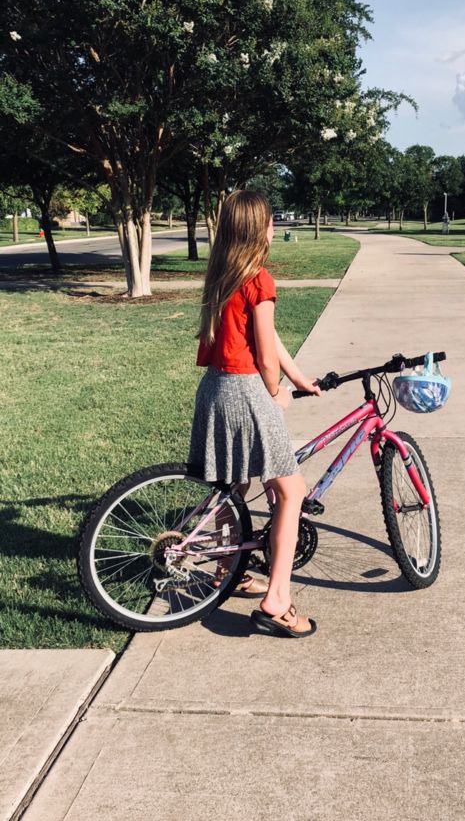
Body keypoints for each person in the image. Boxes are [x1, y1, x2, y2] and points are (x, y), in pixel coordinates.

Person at [189, 190, 320, 638]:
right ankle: (278, 600)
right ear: (259, 229)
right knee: (291, 491)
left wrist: (298, 377)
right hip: (246, 391)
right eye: (270, 221)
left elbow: (266, 334)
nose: (273, 227)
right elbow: (264, 356)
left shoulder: (223, 274)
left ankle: (228, 570)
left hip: (215, 389)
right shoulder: (260, 279)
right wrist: (277, 392)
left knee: (234, 484)